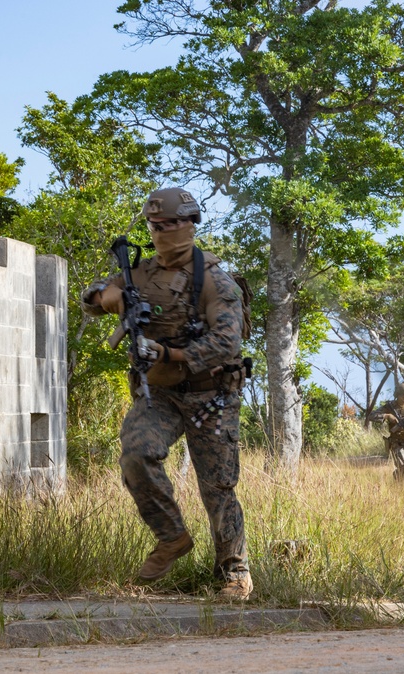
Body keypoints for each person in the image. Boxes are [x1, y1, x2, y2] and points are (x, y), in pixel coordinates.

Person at [82, 187, 252, 600]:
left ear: (190, 224)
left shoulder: (215, 280)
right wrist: (107, 297)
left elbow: (228, 342)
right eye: (154, 226)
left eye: (171, 224)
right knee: (136, 453)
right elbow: (90, 298)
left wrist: (172, 352)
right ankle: (172, 536)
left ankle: (234, 573)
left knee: (217, 486)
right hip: (159, 393)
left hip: (212, 395)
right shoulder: (139, 274)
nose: (162, 233)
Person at [368, 382, 404, 481]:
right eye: (402, 395)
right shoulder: (390, 407)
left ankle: (398, 476)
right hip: (397, 443)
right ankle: (401, 487)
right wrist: (387, 416)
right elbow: (371, 416)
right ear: (397, 395)